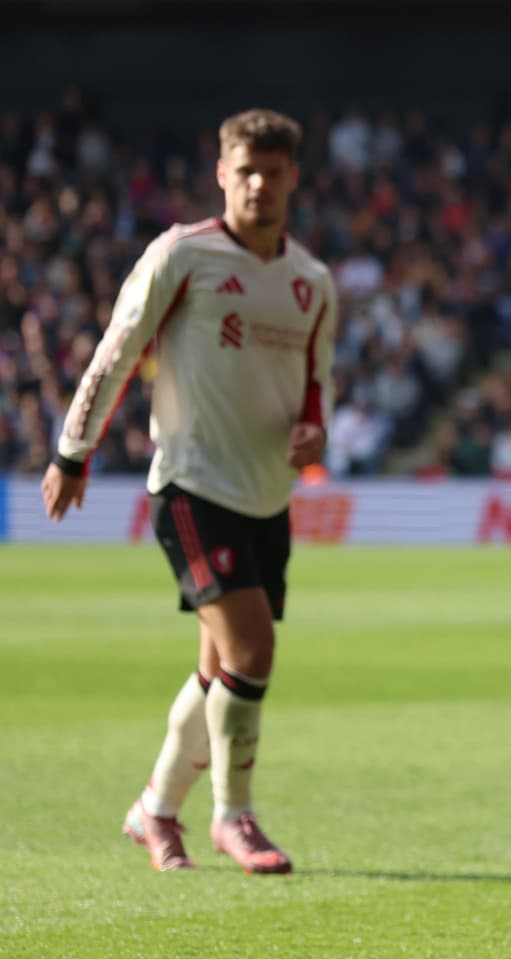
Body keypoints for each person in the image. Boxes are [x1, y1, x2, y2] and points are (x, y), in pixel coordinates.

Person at [43, 108, 337, 876]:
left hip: (267, 495)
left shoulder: (312, 283)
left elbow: (318, 388)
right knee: (253, 649)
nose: (258, 184)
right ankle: (232, 818)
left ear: (291, 178)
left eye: (273, 172)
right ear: (221, 173)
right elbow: (118, 348)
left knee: (218, 672)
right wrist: (72, 449)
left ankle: (154, 809)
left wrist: (315, 434)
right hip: (189, 485)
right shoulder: (183, 254)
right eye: (245, 169)